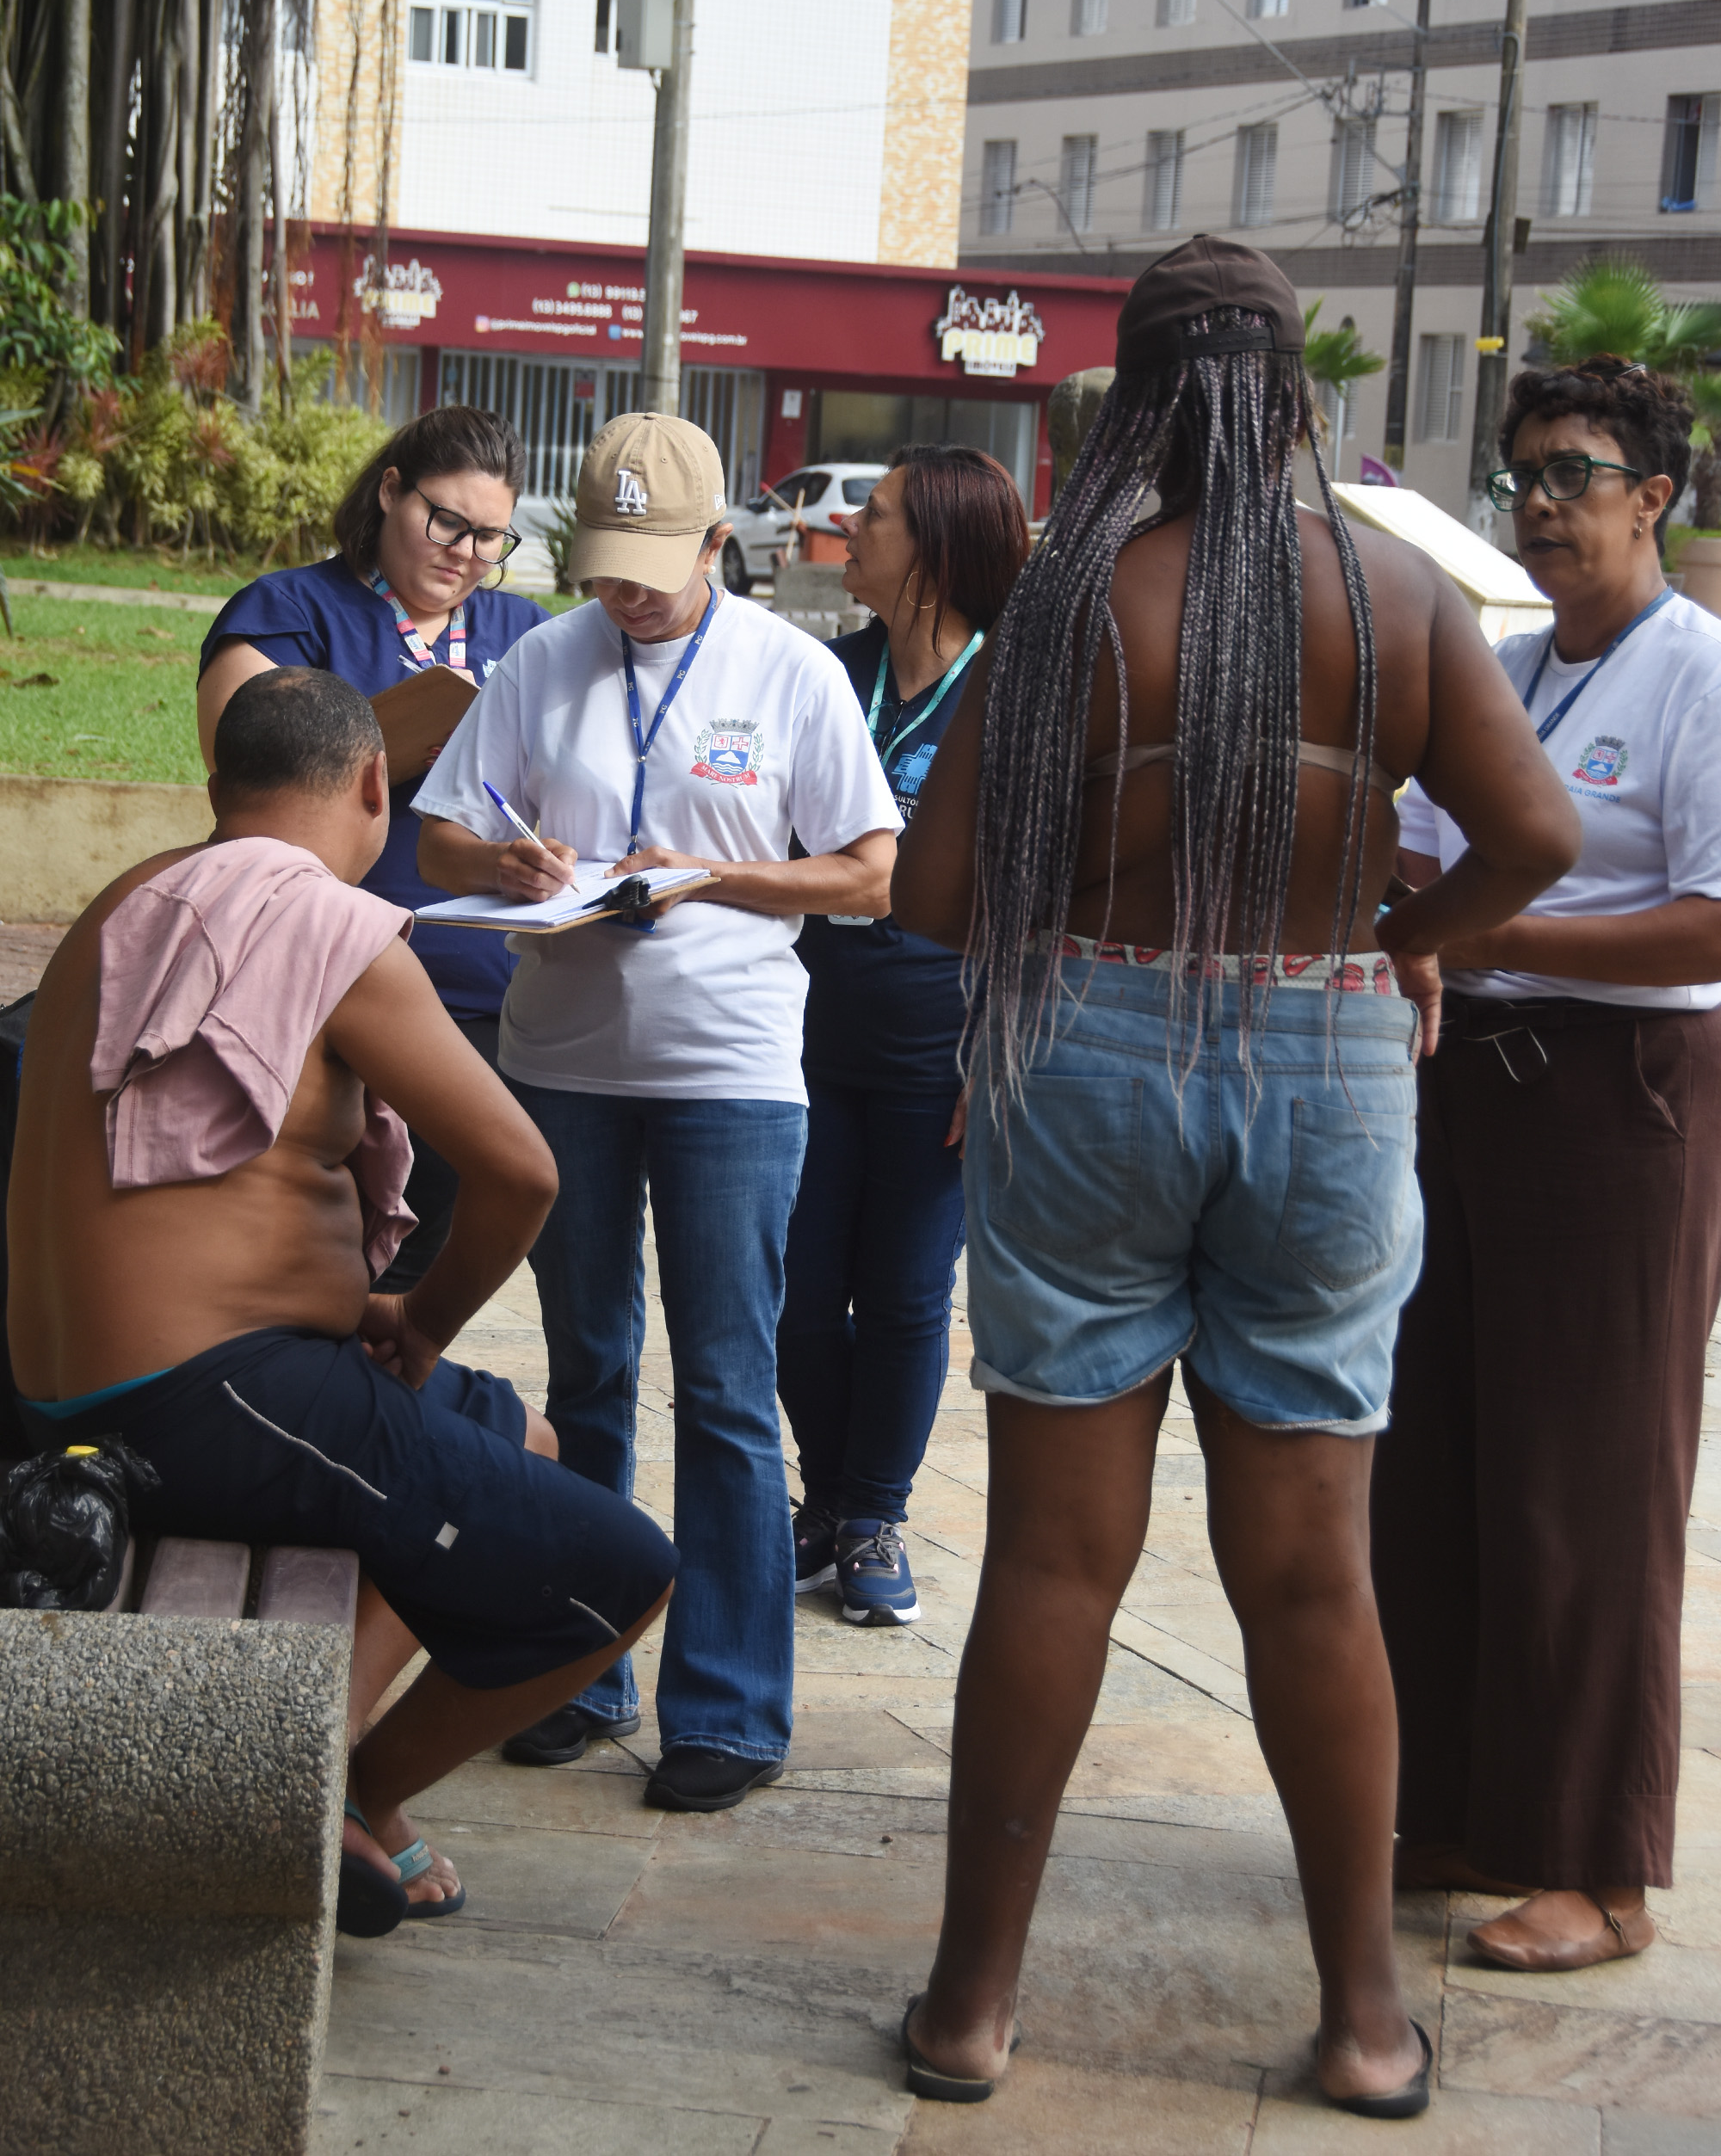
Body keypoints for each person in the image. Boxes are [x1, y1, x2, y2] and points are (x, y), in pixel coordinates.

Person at [889, 237, 1581, 2111]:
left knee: (1050, 1553)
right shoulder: (1400, 592)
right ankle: (1364, 2023)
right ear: (1290, 397)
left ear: (1132, 399)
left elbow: (930, 899)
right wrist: (1403, 930)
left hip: (1087, 1054)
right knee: (1309, 1570)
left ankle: (967, 2006)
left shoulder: (1060, 604)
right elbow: (1538, 831)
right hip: (1329, 1050)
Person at [5, 668, 676, 1935]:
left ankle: (344, 1766)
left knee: (514, 1433)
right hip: (197, 1395)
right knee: (621, 1574)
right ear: (378, 783)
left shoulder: (125, 899)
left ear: (219, 792)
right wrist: (419, 1323)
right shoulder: (336, 926)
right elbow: (522, 1170)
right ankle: (346, 1789)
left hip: (64, 1382)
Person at [415, 412, 901, 1810]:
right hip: (563, 1058)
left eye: (649, 568)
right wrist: (503, 863)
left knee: (730, 1392)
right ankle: (580, 1670)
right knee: (585, 1377)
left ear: (715, 544)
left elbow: (870, 873)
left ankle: (730, 1710)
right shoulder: (540, 660)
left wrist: (711, 878)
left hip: (729, 1073)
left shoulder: (789, 673)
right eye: (603, 568)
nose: (621, 596)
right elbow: (443, 828)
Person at [1375, 357, 1721, 1972]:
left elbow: (1715, 921)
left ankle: (1598, 1866)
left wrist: (1502, 930)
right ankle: (1454, 1808)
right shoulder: (1510, 667)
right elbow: (1434, 860)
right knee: (1438, 1468)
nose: (1540, 502)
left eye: (1573, 472)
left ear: (1656, 496)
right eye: (1520, 474)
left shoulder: (1697, 678)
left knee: (1588, 1490)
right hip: (1470, 1097)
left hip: (1619, 1102)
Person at [198, 405, 546, 1293]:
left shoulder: (528, 634)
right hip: (319, 976)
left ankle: (380, 1396)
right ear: (390, 490)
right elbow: (247, 779)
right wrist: (389, 741)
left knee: (437, 1235)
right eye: (447, 522)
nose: (466, 553)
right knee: (318, 1245)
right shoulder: (288, 610)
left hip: (484, 987)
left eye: (491, 538)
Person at [779, 447, 1028, 1624]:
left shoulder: (1016, 689)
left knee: (907, 1290)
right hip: (805, 1032)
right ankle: (824, 1503)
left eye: (871, 518)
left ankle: (875, 1512)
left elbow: (1045, 885)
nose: (847, 532)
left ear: (930, 548)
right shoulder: (836, 672)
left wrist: (1003, 1042)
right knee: (797, 1283)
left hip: (945, 1039)